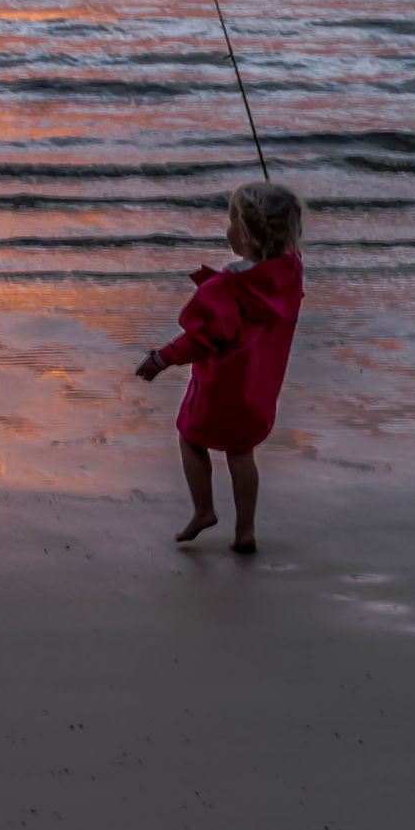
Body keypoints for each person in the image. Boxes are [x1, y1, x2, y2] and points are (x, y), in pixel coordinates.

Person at [135, 181, 305, 554]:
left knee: (189, 436)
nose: (226, 227)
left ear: (244, 232)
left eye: (231, 221)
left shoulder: (226, 290)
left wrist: (160, 358)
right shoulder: (289, 276)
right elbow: (289, 255)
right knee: (241, 453)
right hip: (259, 391)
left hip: (220, 389)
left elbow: (199, 339)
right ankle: (245, 530)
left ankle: (204, 510)